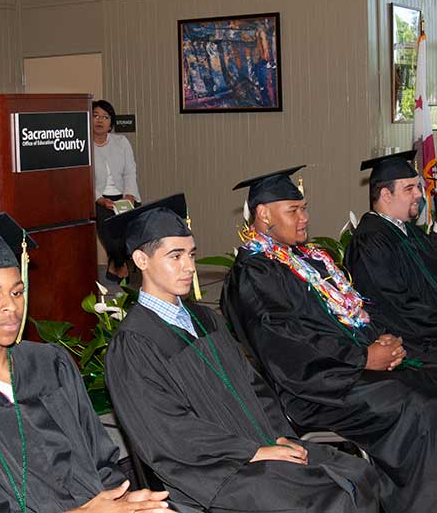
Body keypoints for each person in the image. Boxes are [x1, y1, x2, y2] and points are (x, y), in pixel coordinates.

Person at [105, 195, 380, 513]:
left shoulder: (204, 318)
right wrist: (252, 451)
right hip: (212, 474)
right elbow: (170, 432)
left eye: (191, 254)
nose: (190, 267)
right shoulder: (134, 344)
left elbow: (254, 386)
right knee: (325, 499)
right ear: (141, 260)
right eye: (175, 256)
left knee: (359, 475)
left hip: (260, 446)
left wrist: (278, 437)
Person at [0, 213, 172, 513]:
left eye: (17, 292)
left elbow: (101, 461)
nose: (10, 307)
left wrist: (124, 501)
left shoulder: (50, 364)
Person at [220, 166, 437, 513]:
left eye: (304, 208)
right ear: (263, 215)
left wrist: (383, 340)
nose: (305, 218)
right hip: (314, 388)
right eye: (294, 210)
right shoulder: (255, 272)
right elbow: (289, 343)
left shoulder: (308, 259)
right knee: (419, 406)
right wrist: (363, 358)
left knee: (429, 378)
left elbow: (353, 313)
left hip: (346, 371)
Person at [345, 150, 437, 362]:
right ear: (386, 195)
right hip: (410, 346)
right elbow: (395, 306)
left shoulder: (412, 232)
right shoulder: (369, 242)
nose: (419, 194)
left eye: (417, 187)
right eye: (409, 188)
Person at [93, 99, 141, 283]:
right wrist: (99, 199)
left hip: (123, 195)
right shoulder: (84, 145)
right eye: (96, 116)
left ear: (111, 122)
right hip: (98, 199)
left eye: (105, 117)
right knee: (109, 230)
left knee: (132, 226)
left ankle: (115, 266)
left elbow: (130, 171)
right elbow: (84, 180)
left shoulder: (121, 142)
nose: (100, 120)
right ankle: (120, 267)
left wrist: (129, 195)